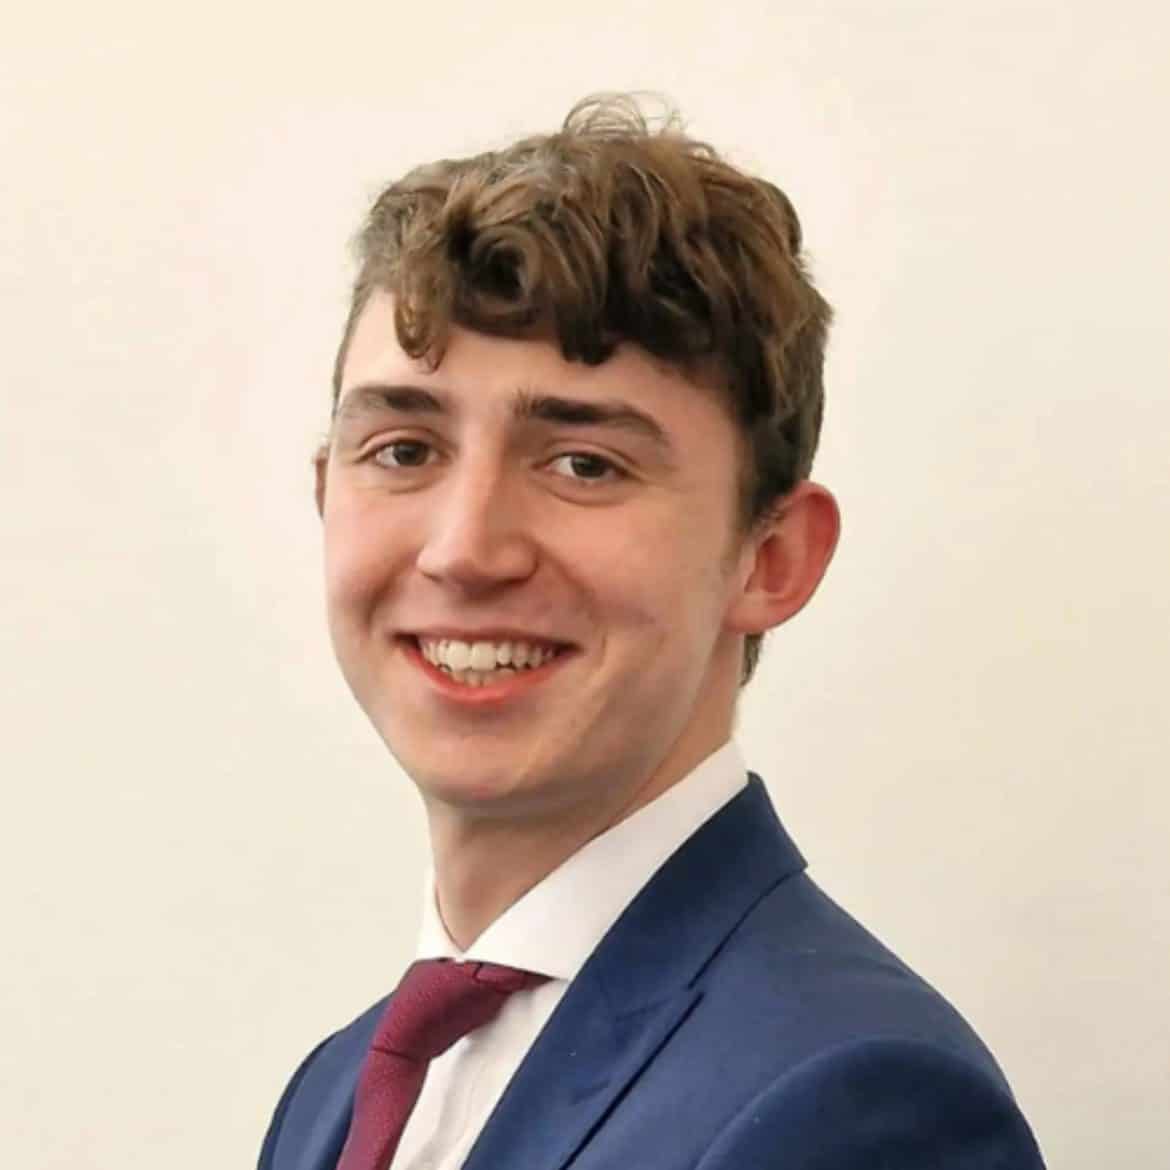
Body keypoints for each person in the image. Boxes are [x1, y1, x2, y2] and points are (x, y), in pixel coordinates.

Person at [258, 94, 1046, 1170]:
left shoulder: (856, 1105)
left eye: (584, 464)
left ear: (772, 558)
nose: (464, 550)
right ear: (325, 494)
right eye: (402, 450)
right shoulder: (340, 1093)